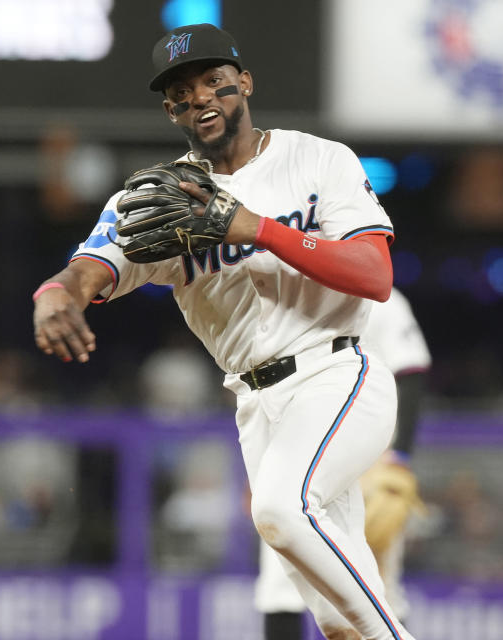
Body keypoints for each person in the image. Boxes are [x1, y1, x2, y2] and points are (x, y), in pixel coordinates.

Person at [32, 23, 415, 639]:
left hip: (336, 374)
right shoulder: (161, 197)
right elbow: (92, 266)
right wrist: (56, 294)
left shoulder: (318, 159)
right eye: (183, 92)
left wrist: (256, 228)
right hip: (255, 404)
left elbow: (373, 273)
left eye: (215, 81)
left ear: (244, 84)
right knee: (332, 616)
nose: (201, 97)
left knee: (279, 511)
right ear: (171, 110)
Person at [256, 288, 432, 638]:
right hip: (292, 456)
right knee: (282, 582)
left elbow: (410, 369)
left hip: (364, 459)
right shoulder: (273, 288)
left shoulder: (379, 295)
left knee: (379, 587)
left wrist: (400, 458)